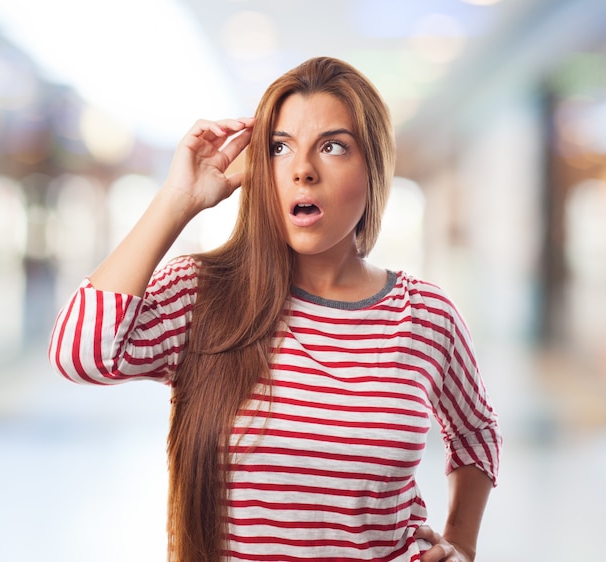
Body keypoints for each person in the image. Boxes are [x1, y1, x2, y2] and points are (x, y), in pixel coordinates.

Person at [48, 56, 501, 562]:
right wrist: (180, 198)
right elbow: (80, 353)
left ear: (374, 166)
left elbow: (475, 432)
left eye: (332, 147)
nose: (302, 170)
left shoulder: (426, 315)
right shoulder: (203, 295)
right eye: (279, 147)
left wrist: (461, 543)